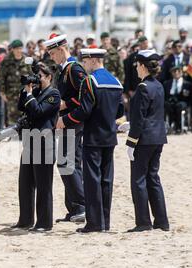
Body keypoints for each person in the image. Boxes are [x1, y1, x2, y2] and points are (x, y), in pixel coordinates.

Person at [56, 48, 124, 232]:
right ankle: (105, 221)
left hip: (93, 136)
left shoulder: (90, 81)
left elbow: (84, 110)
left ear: (93, 60)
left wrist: (65, 120)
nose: (83, 66)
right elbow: (120, 111)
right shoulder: (116, 82)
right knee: (106, 180)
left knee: (92, 179)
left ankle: (94, 223)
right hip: (110, 137)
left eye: (85, 62)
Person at [43, 33, 86, 223]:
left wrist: (64, 105)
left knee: (65, 163)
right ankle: (74, 208)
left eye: (53, 53)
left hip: (73, 121)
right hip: (68, 121)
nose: (51, 57)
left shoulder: (74, 69)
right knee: (72, 163)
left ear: (61, 49)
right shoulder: (64, 69)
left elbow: (84, 94)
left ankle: (82, 205)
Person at [125, 50, 169, 233]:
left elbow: (141, 117)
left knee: (139, 180)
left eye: (137, 65)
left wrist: (131, 142)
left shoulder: (143, 87)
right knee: (153, 179)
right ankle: (161, 221)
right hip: (157, 137)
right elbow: (152, 113)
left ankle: (143, 221)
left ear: (143, 66)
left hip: (143, 139)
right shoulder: (158, 85)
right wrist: (130, 123)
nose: (136, 68)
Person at [13, 62, 60, 232]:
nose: (37, 79)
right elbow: (20, 107)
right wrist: (26, 90)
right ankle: (25, 220)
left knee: (43, 185)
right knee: (25, 183)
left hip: (44, 144)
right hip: (30, 142)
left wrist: (30, 95)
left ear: (49, 77)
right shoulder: (36, 91)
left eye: (40, 76)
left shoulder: (53, 94)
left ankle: (44, 223)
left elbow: (39, 111)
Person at [0, 39, 32, 125]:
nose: (18, 50)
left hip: (24, 93)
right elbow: (2, 77)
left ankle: (24, 135)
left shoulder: (27, 60)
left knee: (25, 114)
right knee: (12, 115)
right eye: (16, 48)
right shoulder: (6, 61)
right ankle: (13, 135)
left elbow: (31, 75)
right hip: (11, 93)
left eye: (20, 48)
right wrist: (2, 92)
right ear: (12, 49)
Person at [163, 66, 192, 133]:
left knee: (180, 106)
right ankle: (170, 124)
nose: (176, 73)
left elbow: (190, 97)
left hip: (182, 101)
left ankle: (179, 126)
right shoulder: (167, 84)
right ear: (171, 73)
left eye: (178, 71)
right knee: (166, 105)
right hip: (171, 101)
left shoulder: (187, 84)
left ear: (182, 72)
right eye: (174, 71)